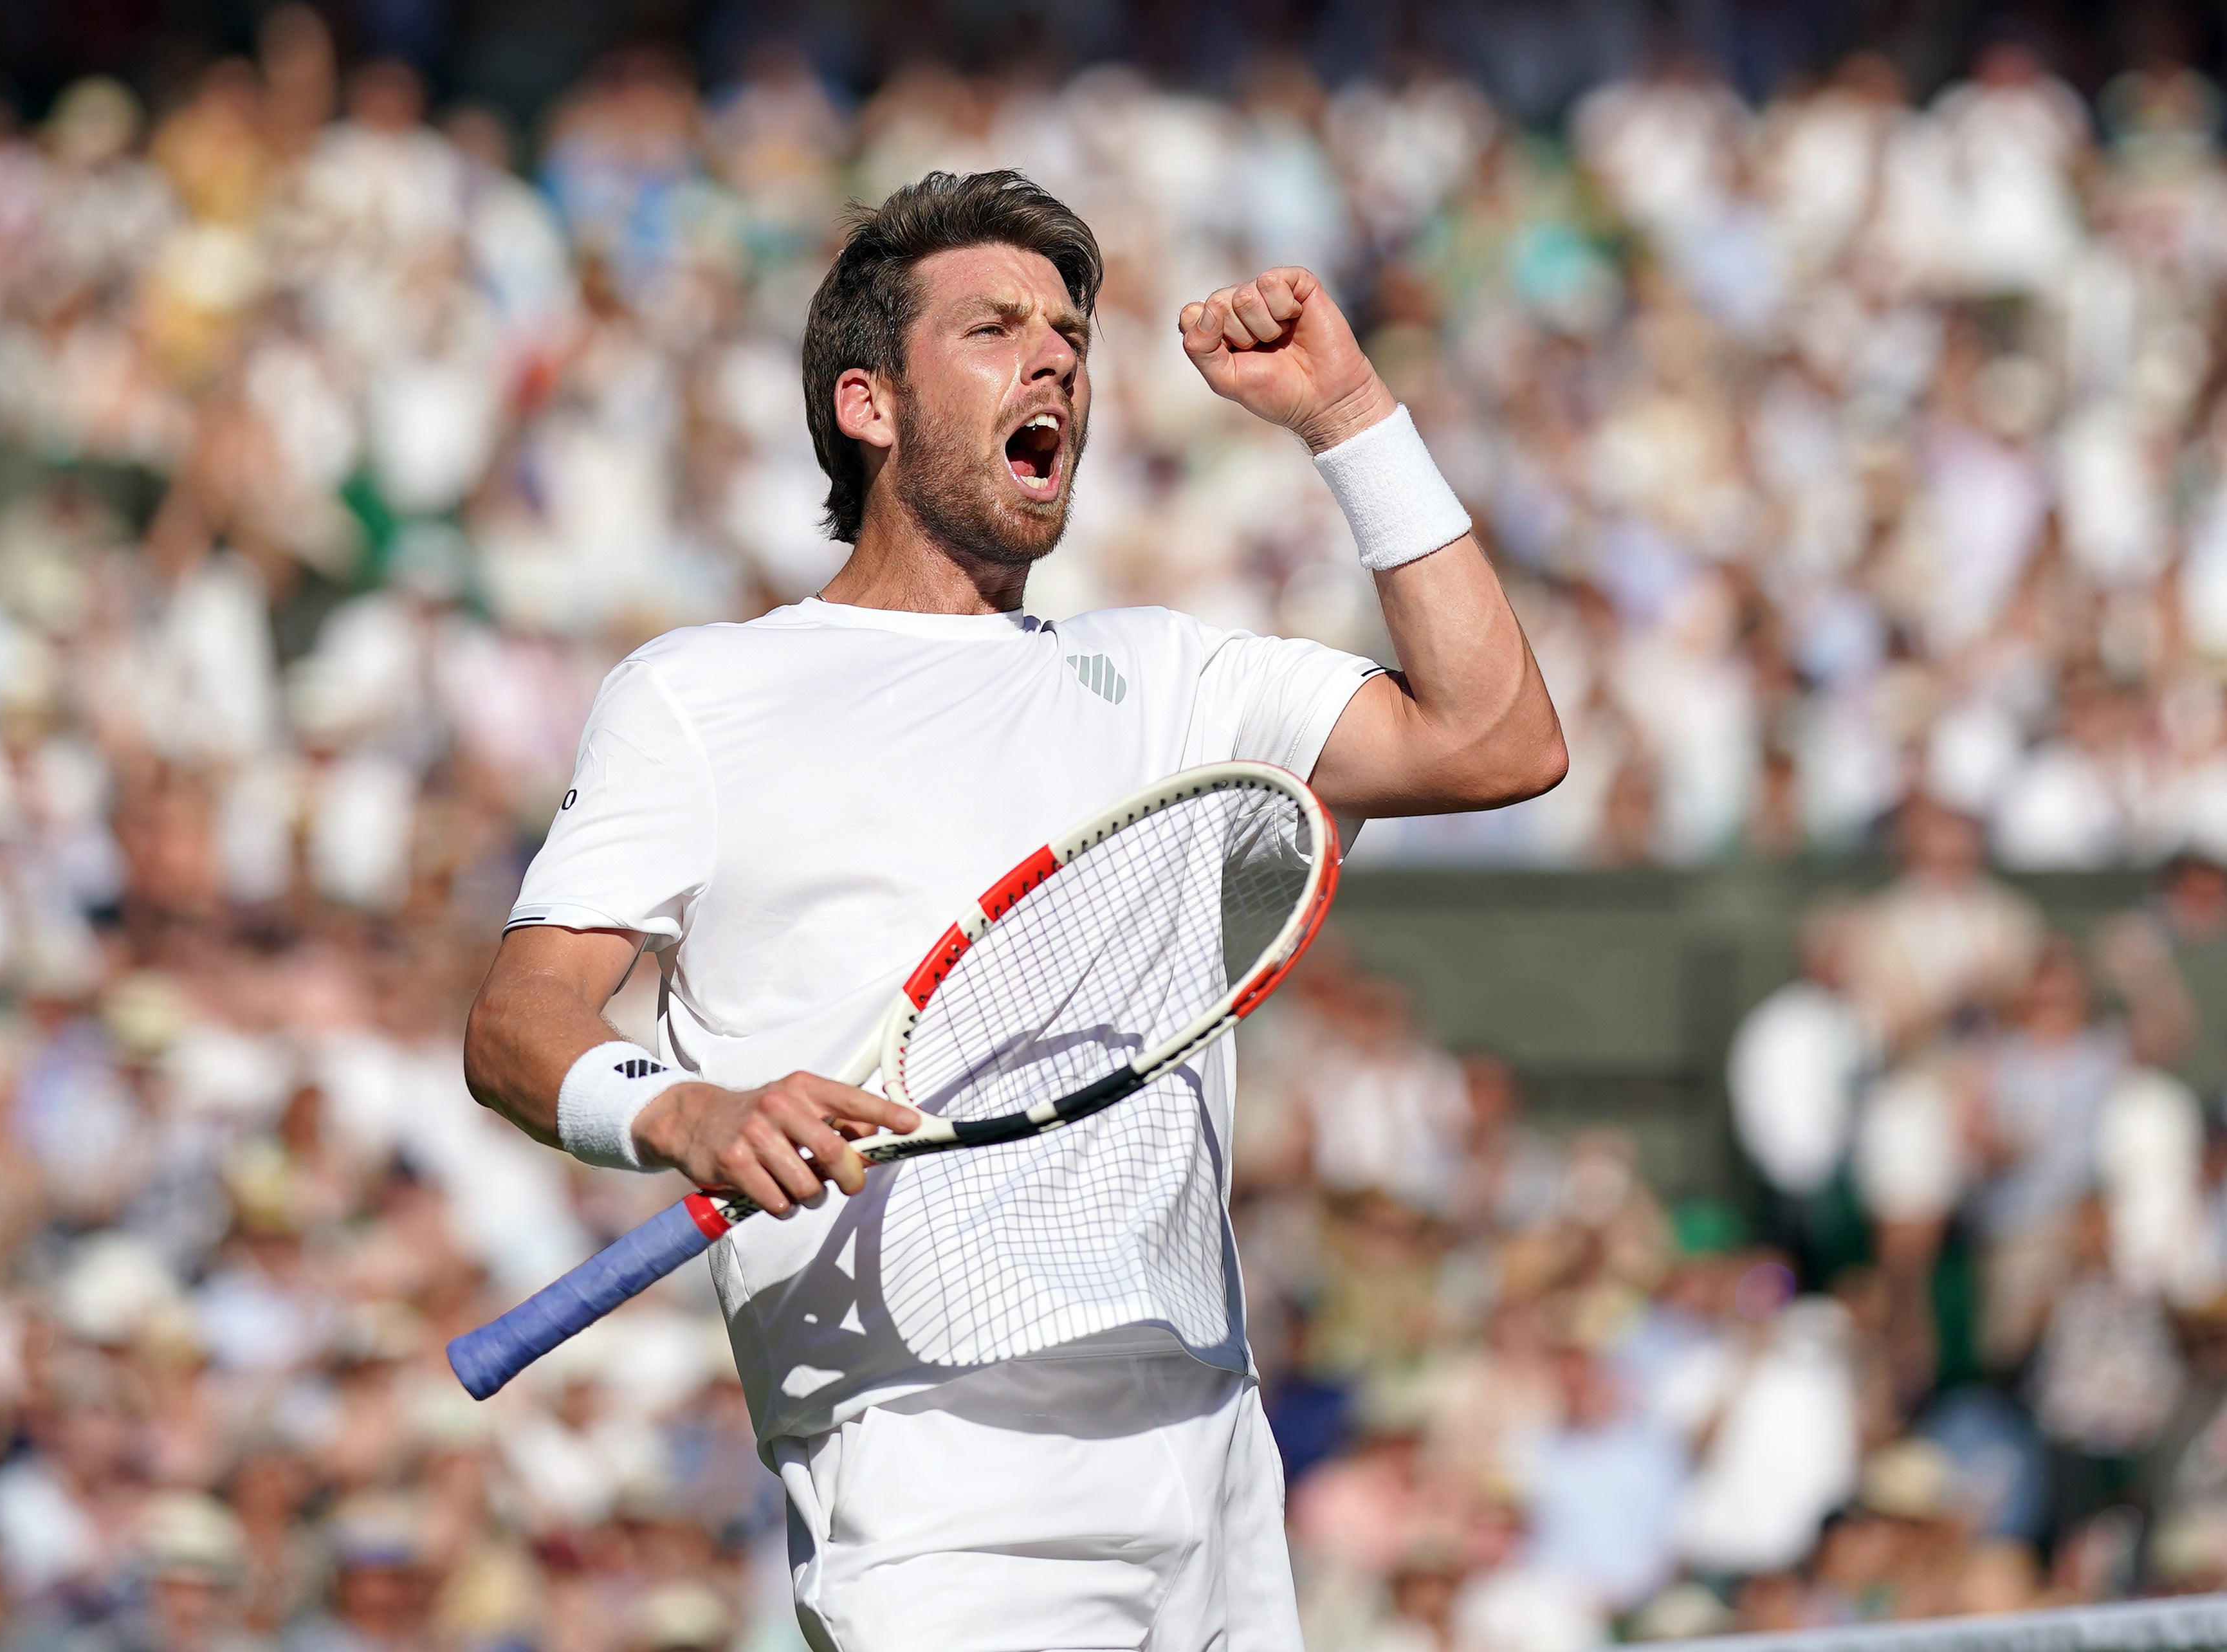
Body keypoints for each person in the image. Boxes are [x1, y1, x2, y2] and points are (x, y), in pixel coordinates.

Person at [463, 169, 1564, 1649]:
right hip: (932, 1475)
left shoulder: (1179, 674)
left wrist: (1349, 414)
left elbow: (1498, 741)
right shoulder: (700, 694)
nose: (1054, 356)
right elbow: (518, 1023)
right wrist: (686, 1113)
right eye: (993, 328)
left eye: (1067, 331)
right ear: (869, 405)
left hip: (1210, 1447)